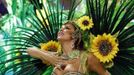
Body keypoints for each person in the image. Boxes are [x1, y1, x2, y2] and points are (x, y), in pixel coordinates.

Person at [27, 21, 110, 75]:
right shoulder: (56, 57)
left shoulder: (87, 57)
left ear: (75, 35)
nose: (61, 30)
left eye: (66, 28)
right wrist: (48, 57)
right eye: (60, 28)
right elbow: (30, 50)